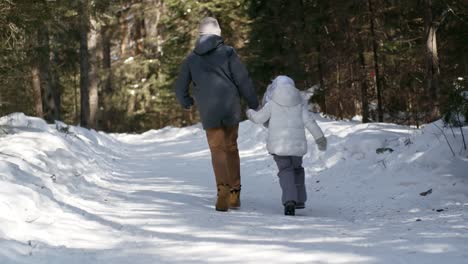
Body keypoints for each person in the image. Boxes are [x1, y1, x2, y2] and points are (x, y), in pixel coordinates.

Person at [175, 17, 259, 212]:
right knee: (231, 147)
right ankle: (234, 192)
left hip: (208, 110)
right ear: (218, 33)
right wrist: (253, 103)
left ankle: (222, 187)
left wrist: (186, 102)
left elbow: (180, 87)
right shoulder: (228, 53)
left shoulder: (191, 58)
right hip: (230, 107)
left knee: (217, 150)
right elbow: (243, 79)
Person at [246, 75, 327, 216]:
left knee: (285, 171)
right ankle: (300, 200)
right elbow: (310, 122)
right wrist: (320, 139)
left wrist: (249, 112)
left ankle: (290, 200)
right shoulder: (299, 105)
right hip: (297, 148)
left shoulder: (271, 103)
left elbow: (259, 118)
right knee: (297, 170)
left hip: (279, 147)